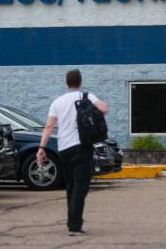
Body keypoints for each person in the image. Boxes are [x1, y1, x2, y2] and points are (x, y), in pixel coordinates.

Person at [37, 69, 109, 236]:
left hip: (64, 149)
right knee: (81, 186)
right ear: (80, 82)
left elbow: (48, 126)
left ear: (66, 83)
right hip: (82, 147)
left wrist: (41, 148)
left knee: (71, 186)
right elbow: (104, 109)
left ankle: (72, 222)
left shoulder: (57, 102)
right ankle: (74, 226)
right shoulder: (87, 96)